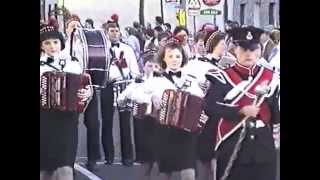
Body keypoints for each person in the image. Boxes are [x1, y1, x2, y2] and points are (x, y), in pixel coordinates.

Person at [204, 26, 280, 180]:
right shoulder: (222, 77)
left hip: (263, 148)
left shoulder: (270, 77)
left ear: (259, 51)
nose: (249, 54)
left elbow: (275, 114)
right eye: (244, 49)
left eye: (253, 50)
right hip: (233, 146)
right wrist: (241, 110)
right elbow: (210, 107)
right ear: (235, 50)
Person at [132, 39, 204, 180]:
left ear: (183, 58)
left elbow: (200, 99)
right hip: (164, 131)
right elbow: (137, 94)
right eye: (170, 56)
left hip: (186, 133)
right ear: (163, 59)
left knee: (189, 173)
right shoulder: (156, 80)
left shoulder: (191, 80)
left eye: (177, 56)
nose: (174, 60)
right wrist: (151, 99)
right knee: (165, 173)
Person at [84, 21, 141, 169]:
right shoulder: (101, 50)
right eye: (111, 31)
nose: (115, 33)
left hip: (124, 85)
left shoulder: (127, 49)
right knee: (107, 121)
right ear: (106, 32)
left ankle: (127, 157)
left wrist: (133, 80)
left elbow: (134, 69)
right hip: (107, 86)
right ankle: (109, 156)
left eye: (116, 30)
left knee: (125, 122)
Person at [40, 25, 92, 180]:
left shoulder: (73, 64)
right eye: (47, 43)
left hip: (67, 121)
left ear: (61, 43)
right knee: (45, 172)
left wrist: (86, 94)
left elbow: (85, 87)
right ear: (41, 46)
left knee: (65, 169)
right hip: (44, 119)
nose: (52, 46)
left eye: (55, 42)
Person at [117, 51, 162, 180]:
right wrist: (124, 99)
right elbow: (123, 96)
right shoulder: (138, 81)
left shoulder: (163, 82)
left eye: (156, 66)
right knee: (145, 161)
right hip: (143, 123)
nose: (153, 69)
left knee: (159, 161)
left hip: (160, 123)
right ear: (143, 66)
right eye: (150, 66)